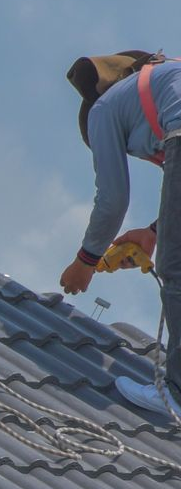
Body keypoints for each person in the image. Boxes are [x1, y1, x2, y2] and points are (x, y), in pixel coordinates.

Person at [63, 49, 181, 417]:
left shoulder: (103, 110)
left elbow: (112, 200)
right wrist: (153, 231)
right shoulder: (164, 82)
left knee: (175, 269)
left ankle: (177, 394)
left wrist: (86, 261)